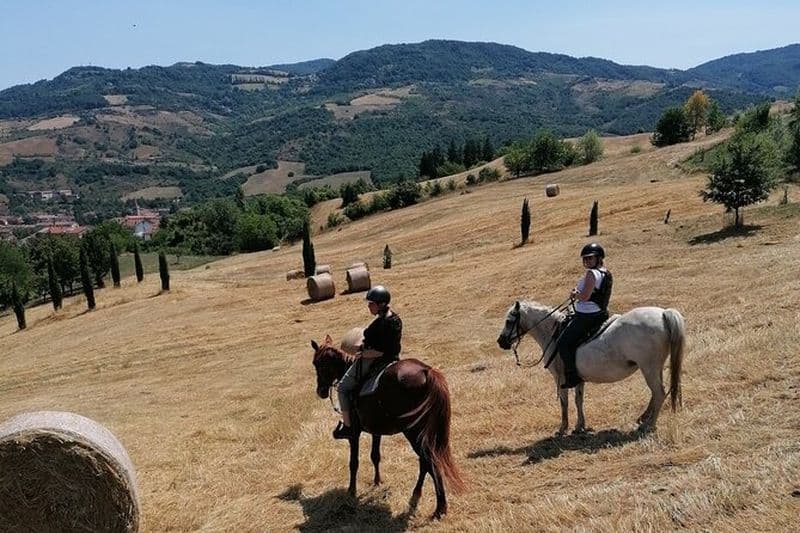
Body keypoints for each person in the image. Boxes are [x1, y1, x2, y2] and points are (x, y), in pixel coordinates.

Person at [333, 285, 403, 439]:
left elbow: (379, 352)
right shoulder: (395, 318)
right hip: (394, 359)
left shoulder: (381, 323)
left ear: (380, 304)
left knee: (343, 388)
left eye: (371, 303)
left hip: (375, 360)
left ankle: (347, 426)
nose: (368, 306)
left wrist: (361, 353)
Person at [557, 243, 613, 389]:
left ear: (598, 258)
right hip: (600, 314)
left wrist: (575, 294)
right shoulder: (605, 272)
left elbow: (585, 296)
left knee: (562, 343)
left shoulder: (591, 274)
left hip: (587, 316)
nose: (587, 261)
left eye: (590, 258)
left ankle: (572, 375)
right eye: (585, 259)